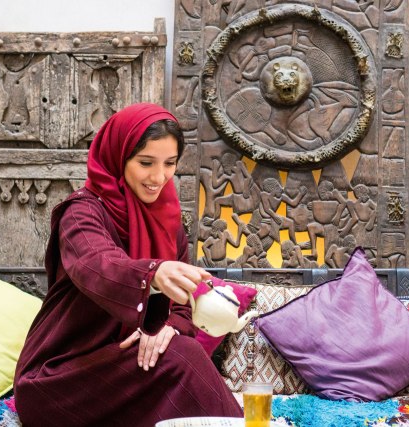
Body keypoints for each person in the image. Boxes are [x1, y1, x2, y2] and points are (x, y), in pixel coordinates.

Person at [14, 103, 243, 426]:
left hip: (127, 368)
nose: (159, 177)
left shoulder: (168, 221)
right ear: (119, 157)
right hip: (57, 380)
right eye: (146, 163)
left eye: (170, 164)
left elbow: (181, 306)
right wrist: (154, 275)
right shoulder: (81, 214)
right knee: (184, 357)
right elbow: (97, 266)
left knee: (179, 349)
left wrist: (167, 328)